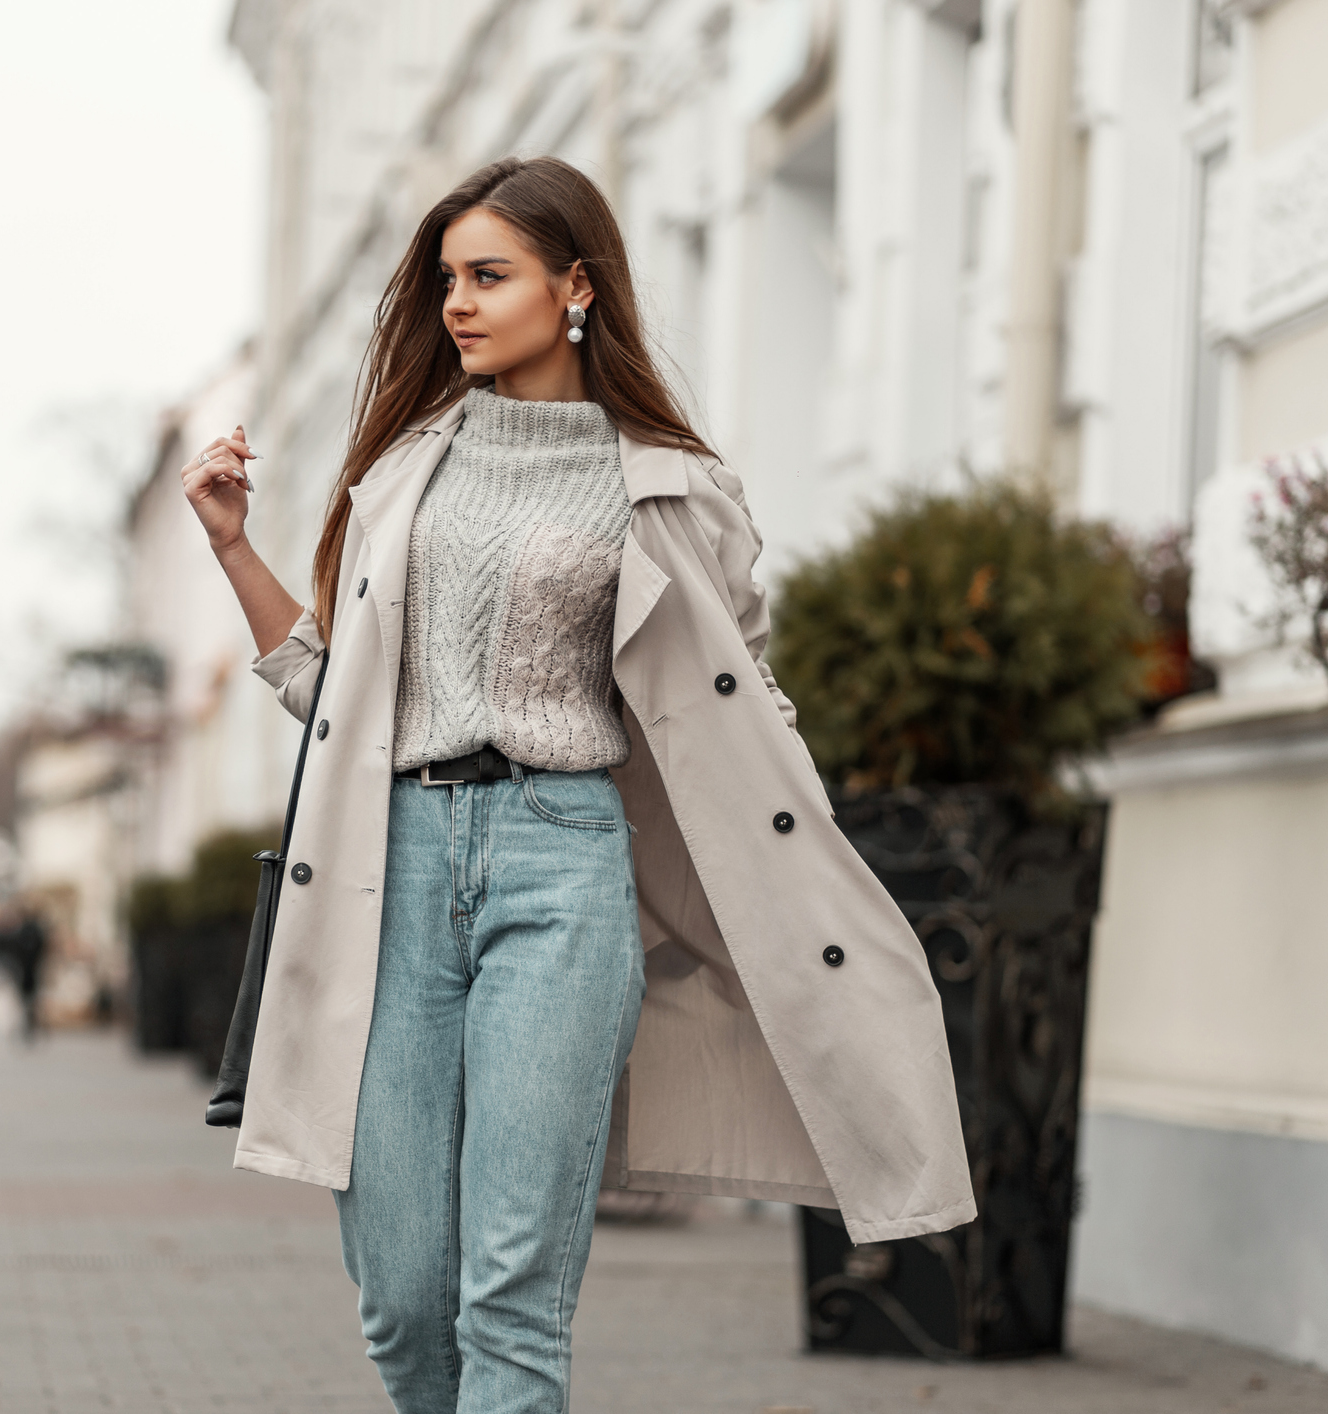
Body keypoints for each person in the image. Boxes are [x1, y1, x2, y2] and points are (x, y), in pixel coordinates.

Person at [181, 156, 973, 1413]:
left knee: (512, 1295)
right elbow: (336, 698)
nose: (458, 303)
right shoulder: (401, 476)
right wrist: (235, 548)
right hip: (393, 869)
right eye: (448, 278)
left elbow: (741, 699)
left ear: (578, 288)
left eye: (489, 275)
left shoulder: (668, 489)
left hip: (563, 864)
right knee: (400, 1295)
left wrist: (797, 838)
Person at [0, 902, 48, 1044]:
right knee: (30, 1001)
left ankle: (29, 1027)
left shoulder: (21, 932)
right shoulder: (32, 931)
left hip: (25, 971)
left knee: (26, 1002)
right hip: (30, 971)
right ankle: (28, 1027)